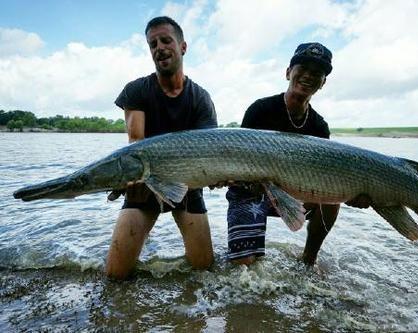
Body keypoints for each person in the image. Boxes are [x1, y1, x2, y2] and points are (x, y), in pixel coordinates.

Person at [106, 16, 217, 279]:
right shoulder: (136, 90)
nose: (159, 48)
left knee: (204, 269)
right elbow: (136, 144)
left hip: (188, 184)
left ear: (183, 47)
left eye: (166, 40)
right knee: (115, 273)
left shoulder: (200, 98)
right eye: (152, 44)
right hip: (144, 182)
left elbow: (210, 151)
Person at [226, 42, 340, 266]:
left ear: (323, 82)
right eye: (303, 68)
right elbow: (239, 162)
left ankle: (308, 260)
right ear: (288, 72)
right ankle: (247, 251)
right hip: (252, 190)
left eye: (316, 73)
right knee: (244, 269)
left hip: (293, 192)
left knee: (334, 197)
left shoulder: (319, 126)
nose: (308, 76)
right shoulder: (260, 110)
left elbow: (323, 176)